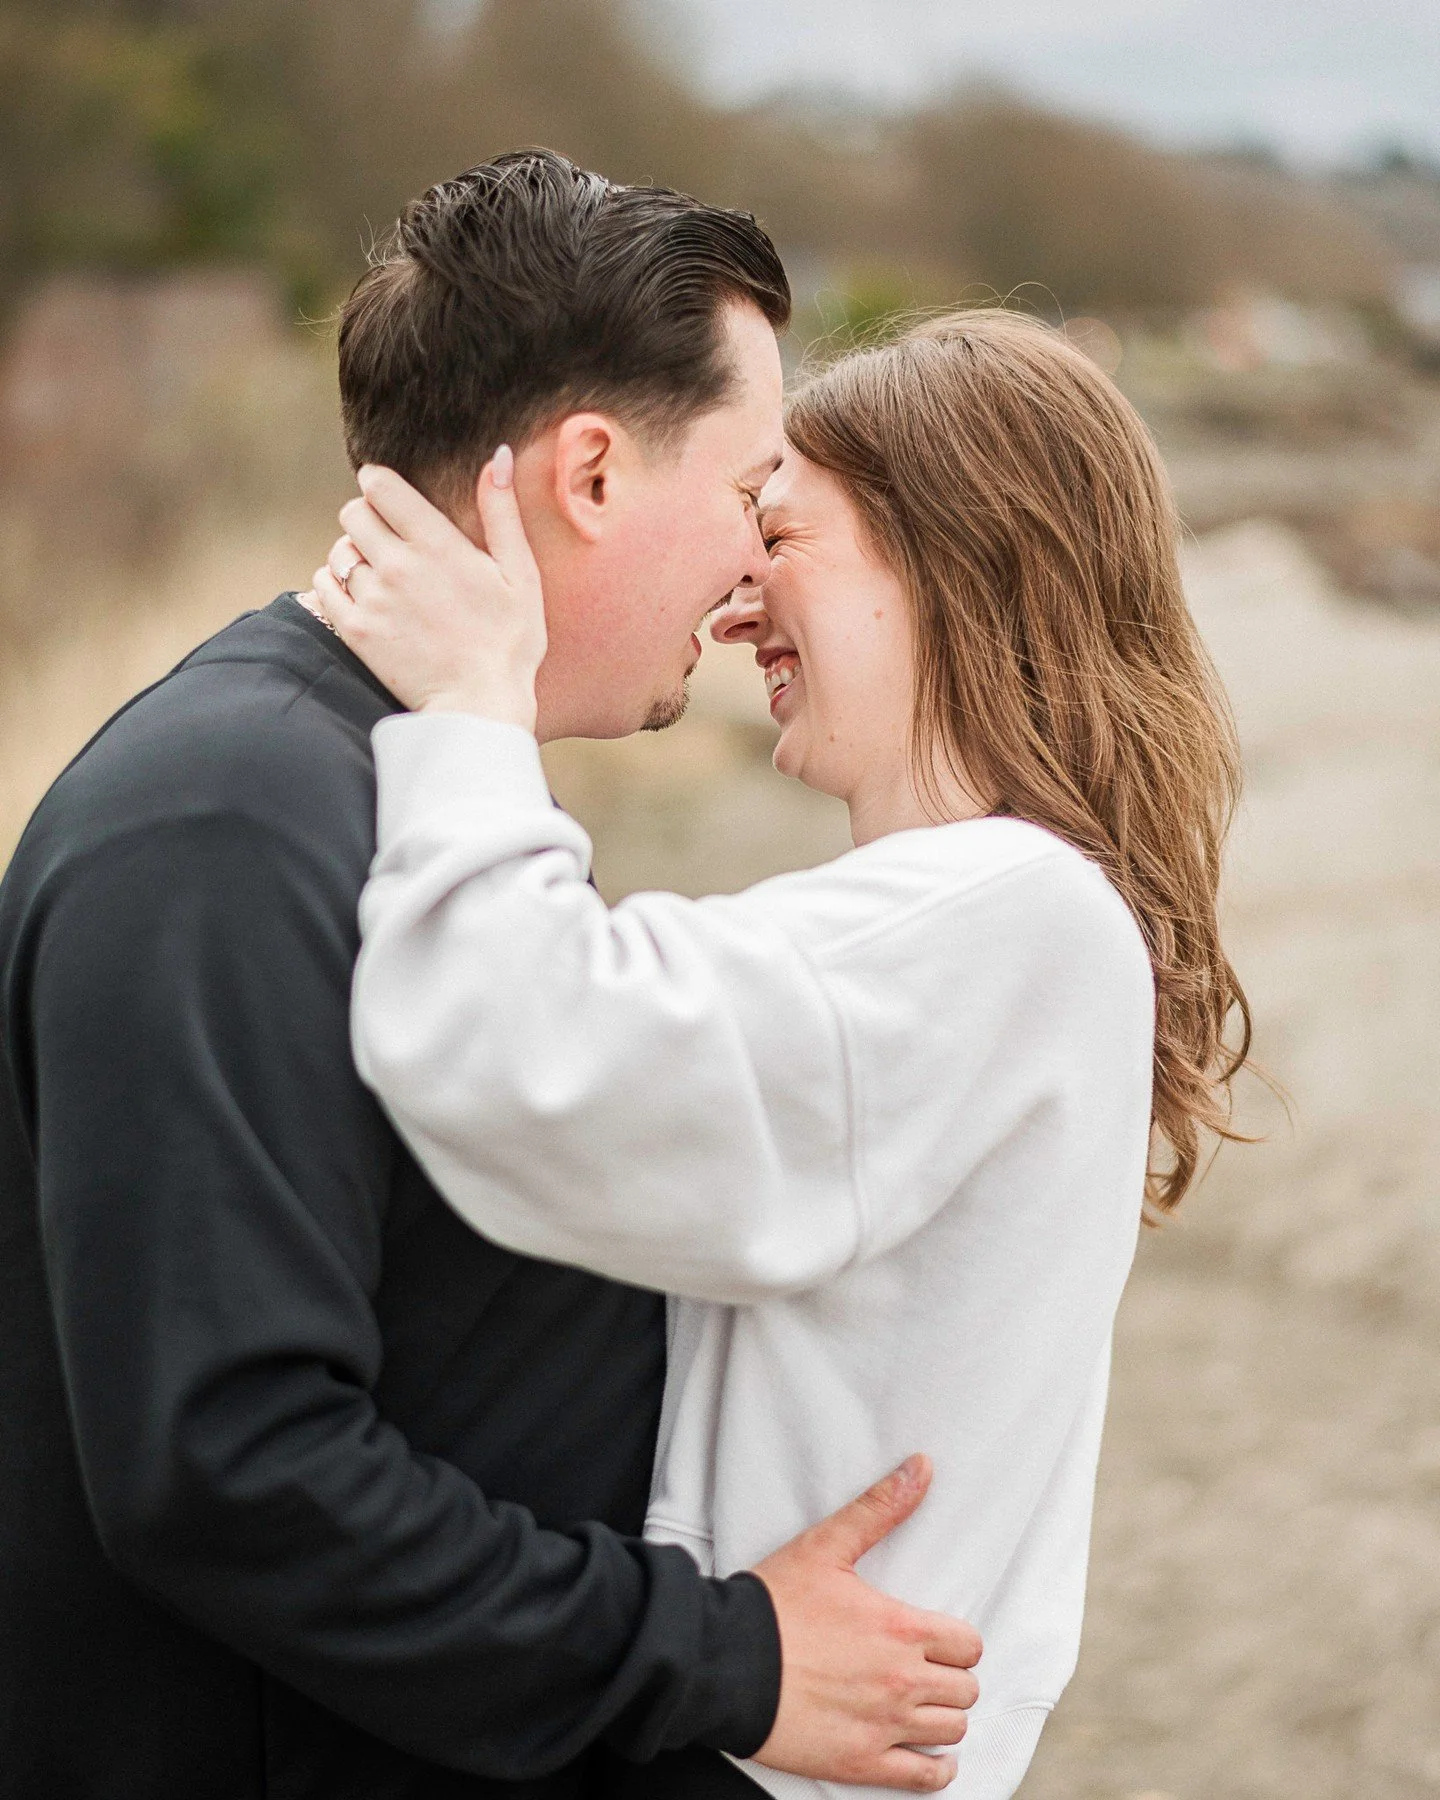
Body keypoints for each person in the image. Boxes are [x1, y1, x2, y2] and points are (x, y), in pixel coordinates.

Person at [0, 153, 984, 1800]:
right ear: (592, 474)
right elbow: (227, 1467)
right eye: (748, 494)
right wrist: (719, 1657)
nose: (754, 570)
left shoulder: (403, 788)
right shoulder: (225, 825)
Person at [310, 308, 1254, 1800]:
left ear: (951, 556)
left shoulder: (1010, 913)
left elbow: (520, 1049)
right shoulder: (1000, 916)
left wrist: (475, 707)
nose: (740, 602)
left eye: (783, 533)